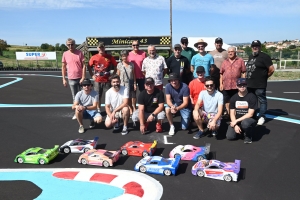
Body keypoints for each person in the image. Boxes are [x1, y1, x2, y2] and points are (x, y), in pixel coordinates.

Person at [246, 40, 275, 125]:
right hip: (250, 84)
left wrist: (264, 77)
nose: (255, 47)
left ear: (260, 47)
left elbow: (271, 69)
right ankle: (253, 115)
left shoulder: (265, 57)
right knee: (252, 101)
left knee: (262, 100)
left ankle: (262, 116)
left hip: (260, 84)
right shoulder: (251, 56)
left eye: (257, 46)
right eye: (253, 46)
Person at [88, 41, 118, 113]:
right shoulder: (94, 57)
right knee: (98, 95)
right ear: (97, 48)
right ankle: (98, 109)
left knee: (109, 95)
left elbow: (116, 66)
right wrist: (92, 75)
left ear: (105, 48)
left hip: (107, 80)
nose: (101, 48)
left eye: (102, 47)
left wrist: (113, 74)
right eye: (100, 47)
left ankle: (110, 108)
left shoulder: (110, 57)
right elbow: (88, 66)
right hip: (97, 80)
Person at [226, 78, 258, 144]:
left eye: (244, 85)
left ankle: (248, 135)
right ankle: (242, 130)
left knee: (245, 123)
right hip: (237, 120)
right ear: (237, 86)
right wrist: (235, 125)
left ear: (246, 85)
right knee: (230, 137)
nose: (242, 87)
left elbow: (250, 114)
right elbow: (232, 113)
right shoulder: (233, 98)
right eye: (240, 85)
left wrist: (236, 121)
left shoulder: (252, 96)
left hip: (249, 119)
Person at [62, 38, 86, 120]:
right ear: (67, 45)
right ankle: (77, 112)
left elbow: (84, 66)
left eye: (72, 44)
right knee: (74, 97)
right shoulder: (65, 54)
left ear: (75, 44)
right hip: (71, 78)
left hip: (80, 78)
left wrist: (83, 77)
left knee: (83, 96)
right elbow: (63, 67)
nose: (70, 46)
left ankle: (83, 112)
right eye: (68, 44)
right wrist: (64, 79)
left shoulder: (79, 53)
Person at [220, 47, 246, 118]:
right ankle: (229, 114)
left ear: (235, 52)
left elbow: (243, 72)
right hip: (226, 85)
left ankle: (236, 114)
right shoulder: (225, 62)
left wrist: (243, 83)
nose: (230, 53)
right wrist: (221, 84)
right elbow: (221, 73)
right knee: (227, 100)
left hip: (236, 85)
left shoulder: (240, 61)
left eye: (232, 51)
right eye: (229, 52)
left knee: (236, 100)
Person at [117, 50, 137, 115]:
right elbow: (118, 75)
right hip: (123, 83)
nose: (124, 57)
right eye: (123, 56)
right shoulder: (119, 65)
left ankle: (134, 107)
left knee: (133, 96)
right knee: (126, 97)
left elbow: (134, 74)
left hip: (130, 83)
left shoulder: (131, 64)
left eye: (125, 56)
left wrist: (134, 83)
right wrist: (118, 84)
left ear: (128, 56)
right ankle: (129, 108)